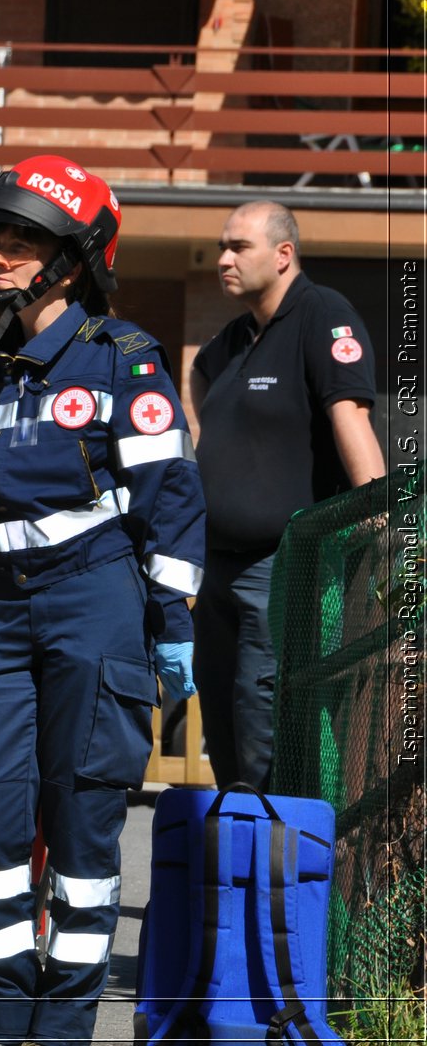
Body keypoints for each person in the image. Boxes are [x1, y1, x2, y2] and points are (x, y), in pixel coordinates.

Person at [0, 155, 206, 1046]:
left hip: (97, 606)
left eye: (20, 241)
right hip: (6, 611)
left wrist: (171, 625)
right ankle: (3, 1021)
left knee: (83, 834)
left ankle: (64, 1029)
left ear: (73, 258)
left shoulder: (124, 361)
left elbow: (172, 502)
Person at [191, 201, 385, 792]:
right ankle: (236, 859)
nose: (223, 259)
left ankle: (276, 871)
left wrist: (382, 529)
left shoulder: (321, 313)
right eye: (222, 246)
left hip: (282, 567)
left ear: (283, 255)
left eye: (238, 247)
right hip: (215, 569)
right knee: (223, 723)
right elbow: (204, 406)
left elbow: (351, 421)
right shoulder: (228, 344)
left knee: (263, 721)